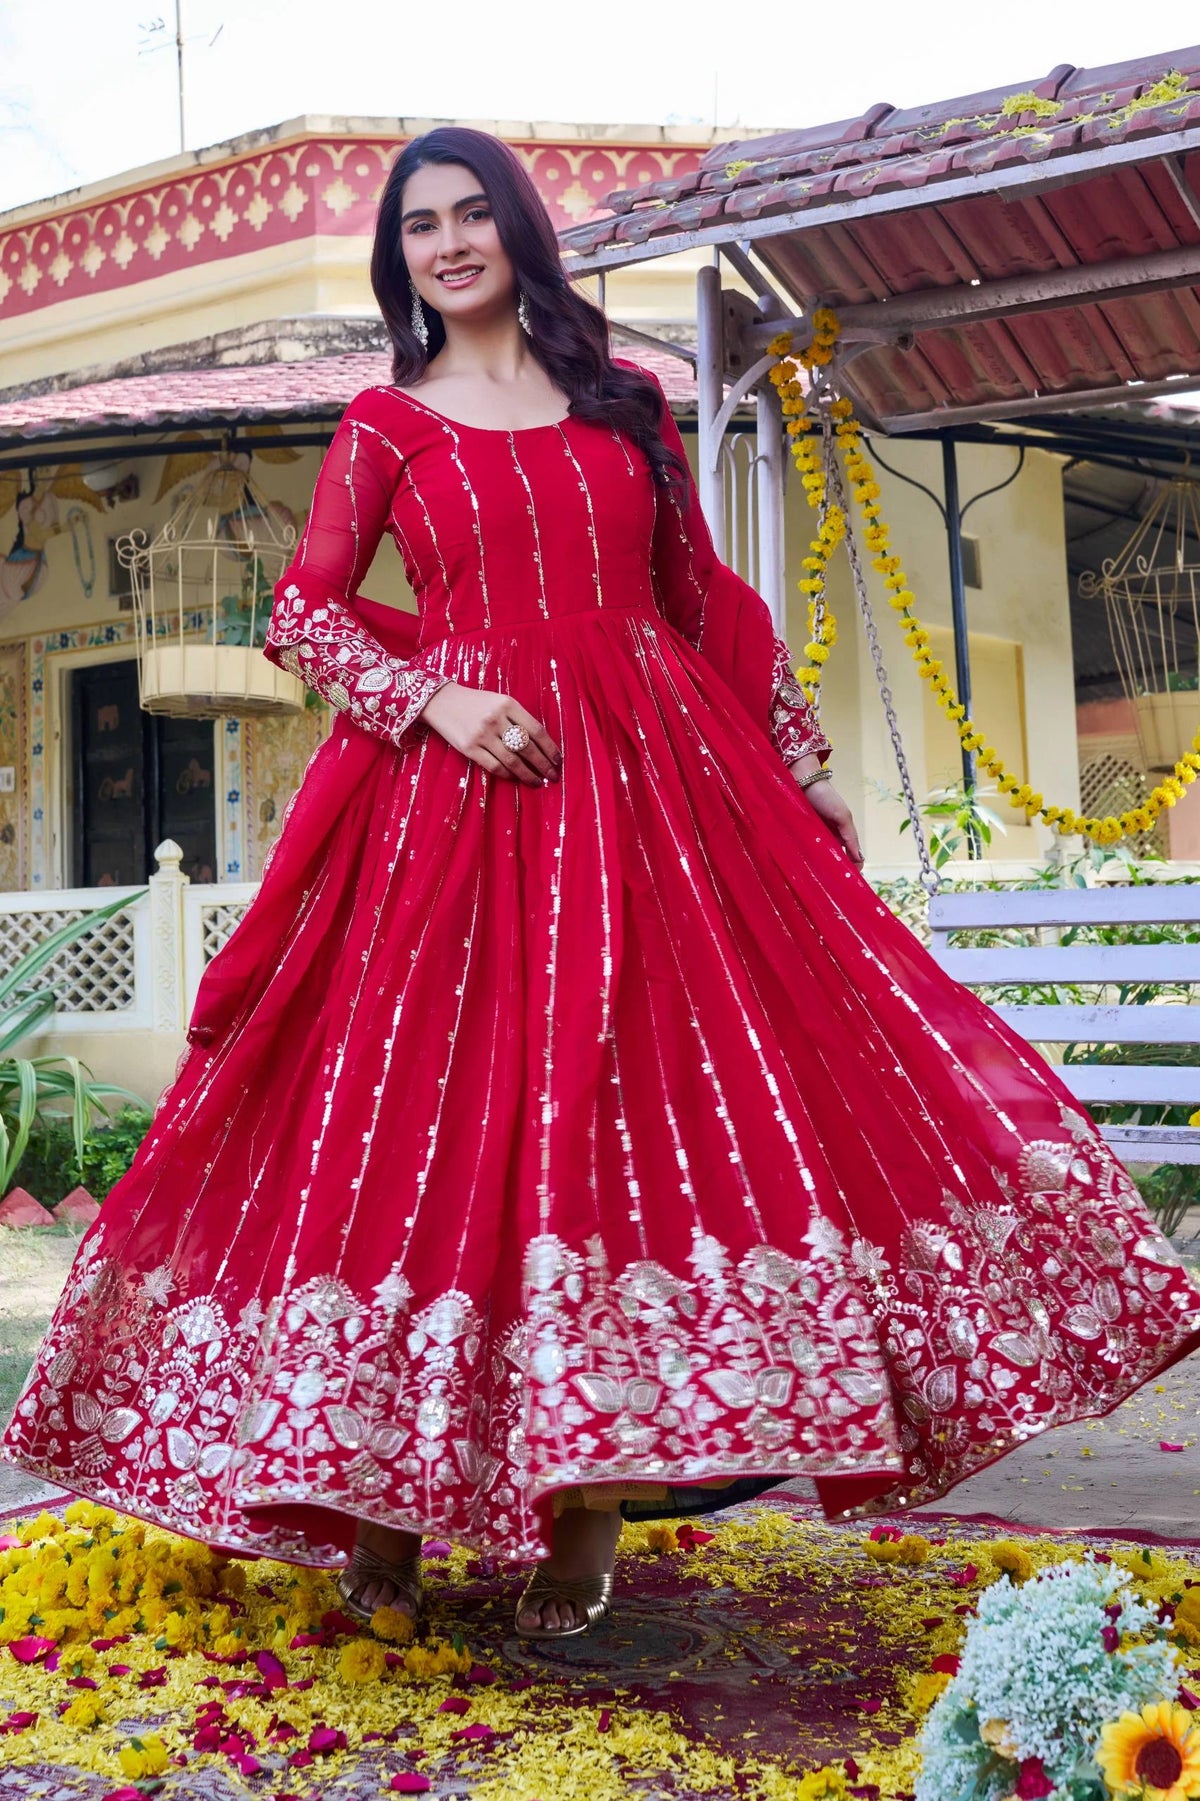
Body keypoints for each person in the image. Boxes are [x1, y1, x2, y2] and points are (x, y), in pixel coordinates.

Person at [6, 127, 1199, 1645]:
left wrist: (799, 753)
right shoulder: (387, 424)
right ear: (402, 259)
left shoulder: (623, 403)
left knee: (612, 1119)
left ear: (517, 231)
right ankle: (382, 1496)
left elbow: (701, 599)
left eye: (471, 215)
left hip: (654, 808)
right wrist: (433, 699)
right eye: (419, 225)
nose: (448, 243)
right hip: (452, 816)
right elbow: (303, 617)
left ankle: (585, 1509)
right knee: (420, 1122)